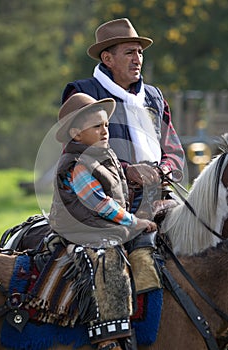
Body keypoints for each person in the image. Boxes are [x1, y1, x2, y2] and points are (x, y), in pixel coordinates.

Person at [49, 92, 158, 350]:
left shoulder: (104, 157)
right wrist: (133, 221)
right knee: (109, 261)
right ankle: (108, 338)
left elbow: (117, 196)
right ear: (76, 134)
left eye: (106, 125)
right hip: (83, 229)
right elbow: (100, 204)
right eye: (97, 126)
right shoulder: (76, 164)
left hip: (102, 225)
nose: (105, 130)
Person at [61, 17, 185, 215]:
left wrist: (162, 170)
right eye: (129, 53)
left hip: (159, 195)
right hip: (102, 197)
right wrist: (126, 170)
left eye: (140, 53)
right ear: (107, 59)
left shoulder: (155, 97)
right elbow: (76, 152)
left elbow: (174, 151)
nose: (137, 59)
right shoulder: (82, 94)